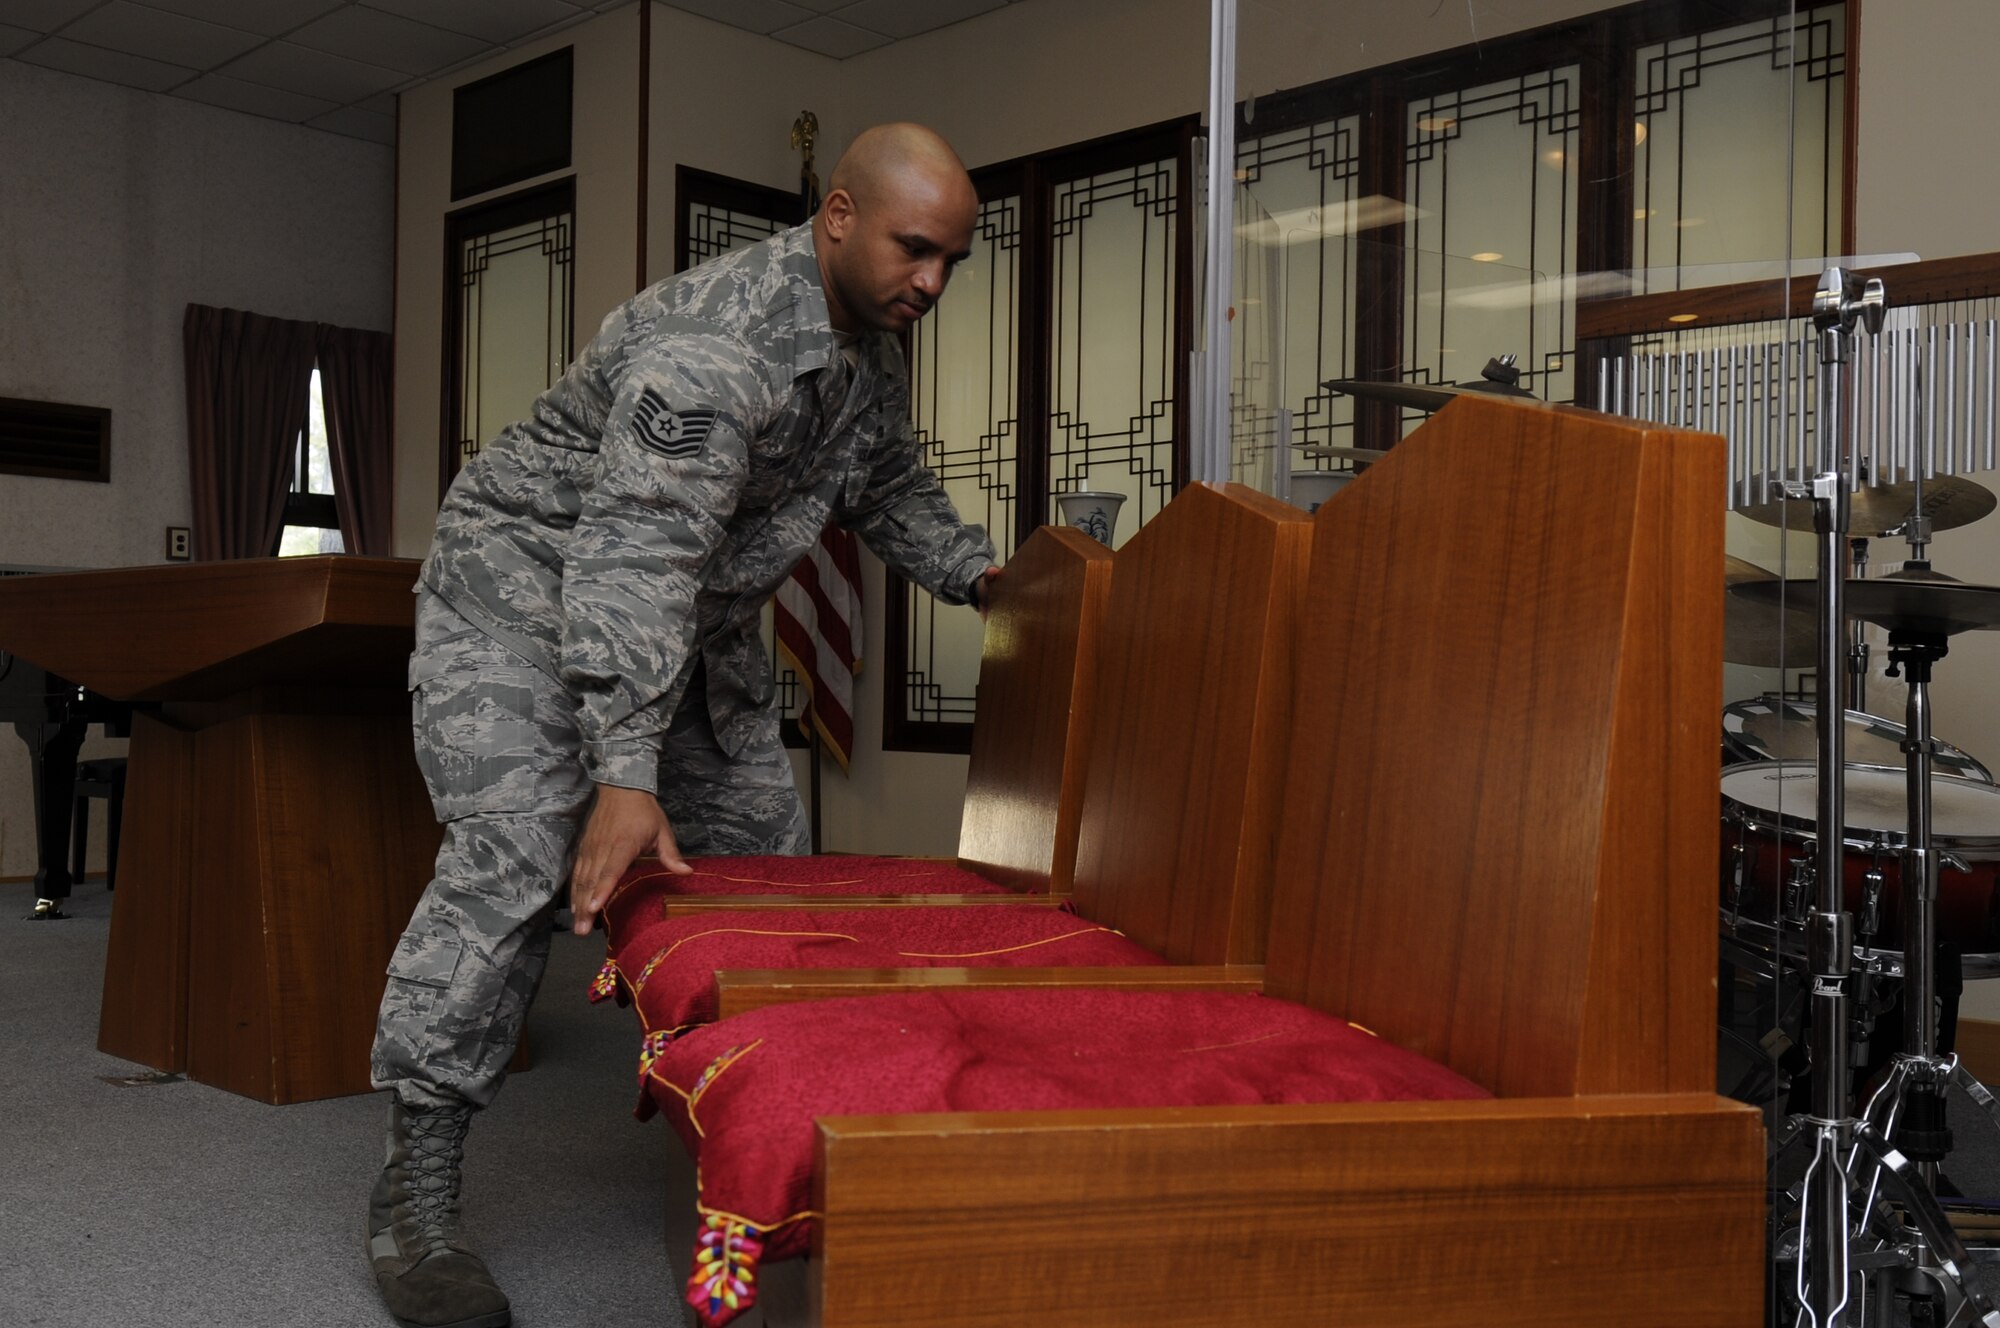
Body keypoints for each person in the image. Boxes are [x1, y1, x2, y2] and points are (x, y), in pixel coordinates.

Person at [366, 123, 999, 1328]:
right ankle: (417, 1189)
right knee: (511, 859)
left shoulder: (868, 347)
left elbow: (889, 486)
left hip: (686, 619)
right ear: (839, 216)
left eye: (950, 262)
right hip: (523, 596)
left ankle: (767, 1154)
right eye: (916, 249)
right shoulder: (711, 350)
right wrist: (620, 767)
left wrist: (993, 582)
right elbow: (630, 556)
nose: (932, 281)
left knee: (763, 875)